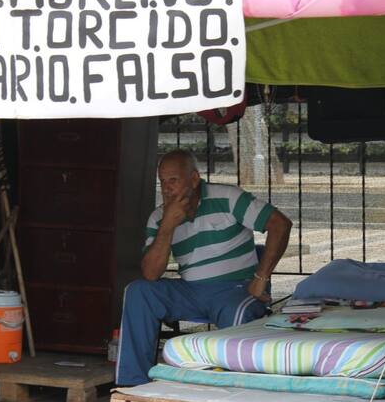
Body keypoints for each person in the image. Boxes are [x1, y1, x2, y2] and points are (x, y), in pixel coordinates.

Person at [115, 149, 292, 386]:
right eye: (162, 182)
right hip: (191, 291)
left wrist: (261, 278)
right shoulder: (158, 217)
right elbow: (150, 274)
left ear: (194, 179)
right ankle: (132, 383)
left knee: (237, 314)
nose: (166, 188)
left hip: (236, 289)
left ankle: (233, 389)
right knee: (138, 292)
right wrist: (167, 226)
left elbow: (280, 224)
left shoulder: (228, 197)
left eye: (173, 180)